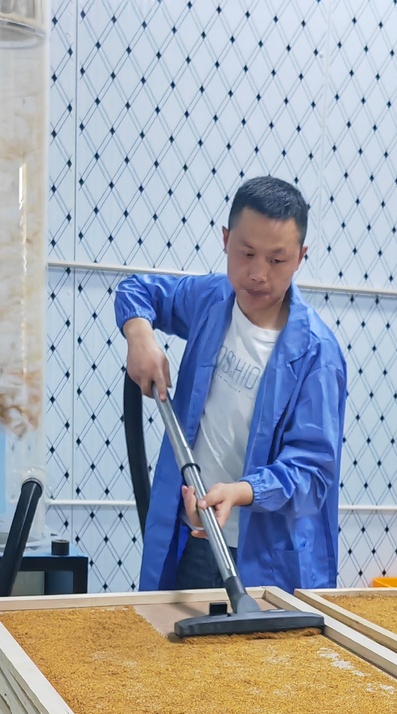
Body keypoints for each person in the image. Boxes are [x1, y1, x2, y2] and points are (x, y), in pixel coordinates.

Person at [116, 177, 348, 592]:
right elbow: (138, 290)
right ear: (225, 240)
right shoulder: (211, 299)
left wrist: (242, 492)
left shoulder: (317, 354)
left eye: (277, 260)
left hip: (268, 560)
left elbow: (312, 472)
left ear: (301, 258)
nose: (258, 274)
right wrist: (139, 335)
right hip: (194, 539)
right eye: (246, 253)